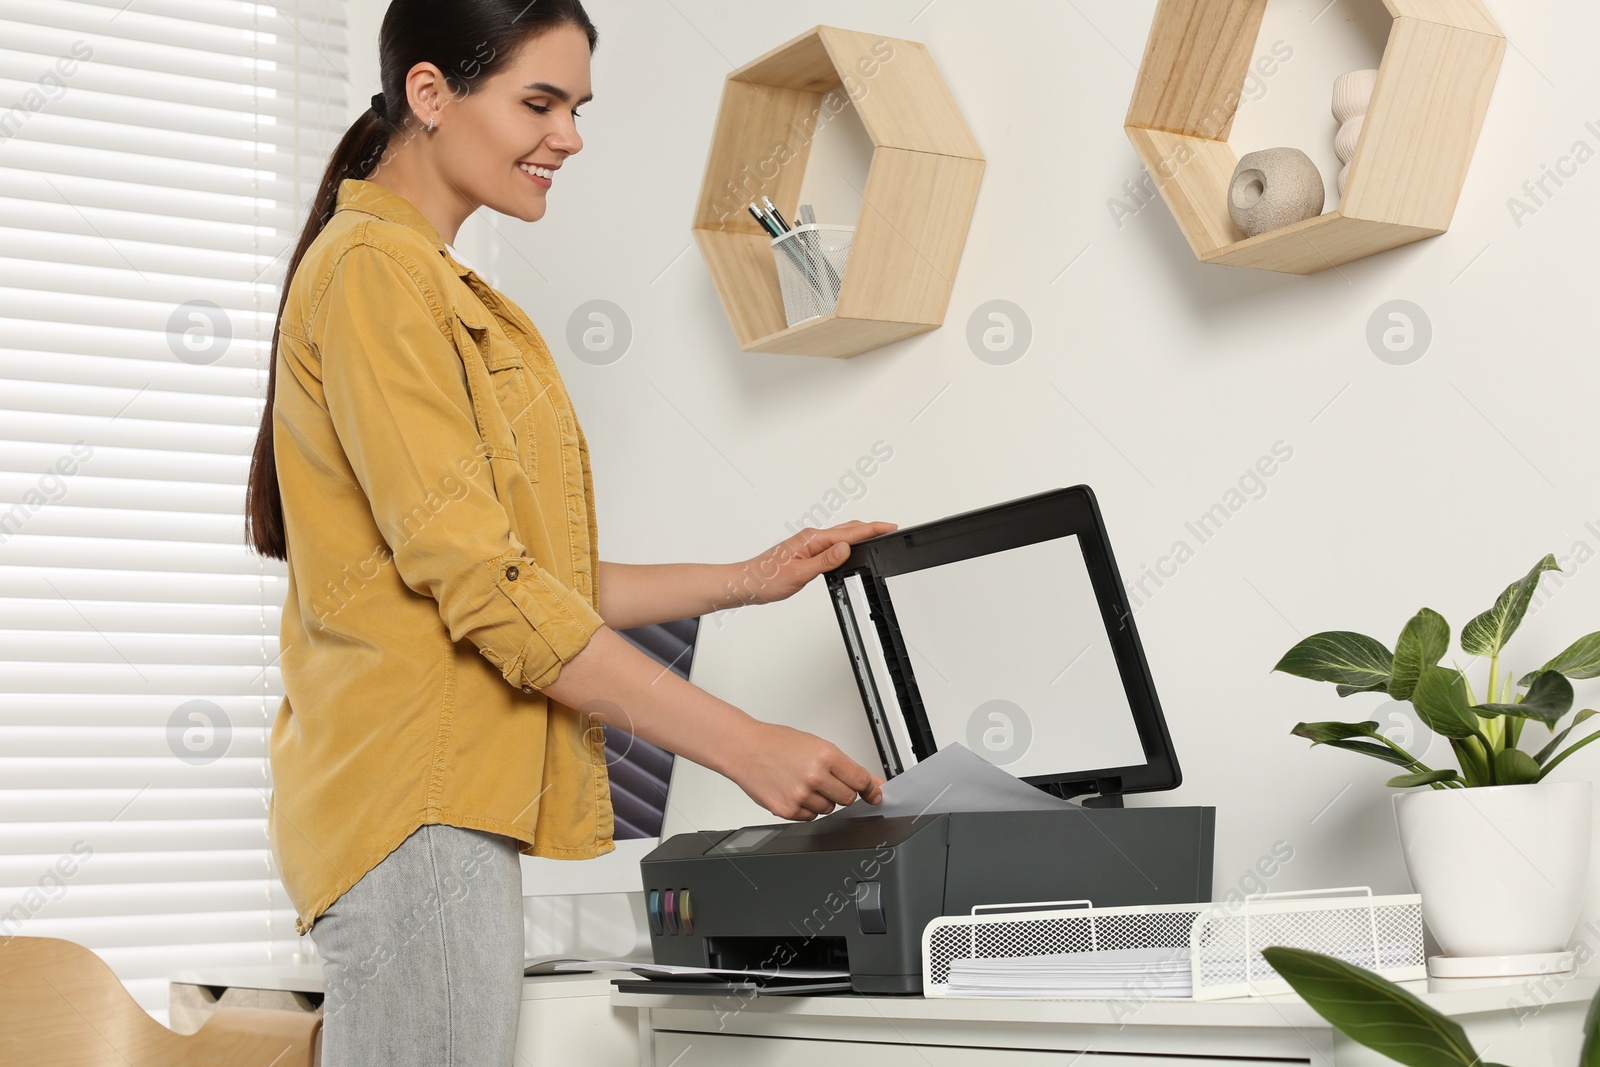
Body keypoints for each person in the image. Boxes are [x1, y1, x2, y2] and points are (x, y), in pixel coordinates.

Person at [242, 2, 891, 1063]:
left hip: (430, 807)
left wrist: (745, 577)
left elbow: (527, 577)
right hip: (413, 806)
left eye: (576, 108)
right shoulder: (376, 275)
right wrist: (743, 744)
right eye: (538, 103)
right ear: (429, 93)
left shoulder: (428, 281)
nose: (570, 137)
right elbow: (493, 592)